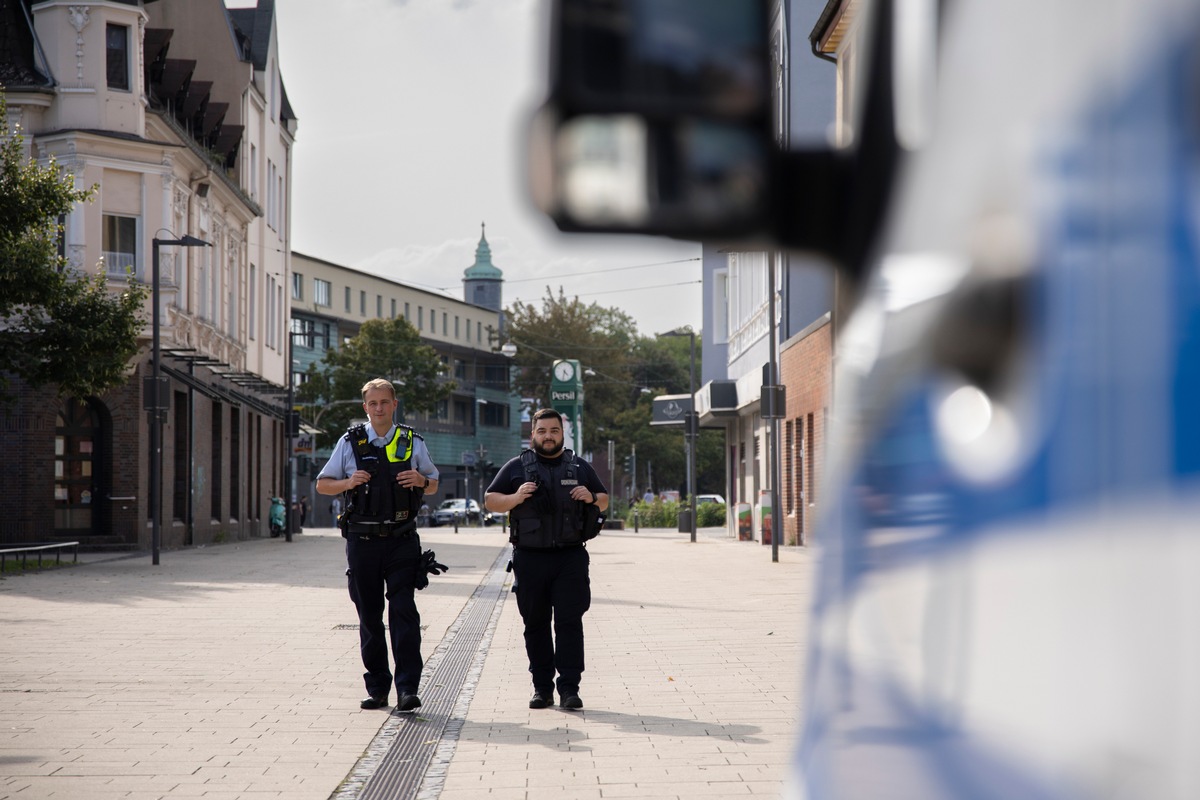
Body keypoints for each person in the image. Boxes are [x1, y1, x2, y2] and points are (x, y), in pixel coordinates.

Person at [316, 378, 439, 712]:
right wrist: (347, 481)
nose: (379, 409)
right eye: (373, 404)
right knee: (370, 616)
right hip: (362, 541)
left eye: (385, 402)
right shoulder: (350, 442)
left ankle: (408, 688)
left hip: (402, 539)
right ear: (365, 408)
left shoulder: (411, 441)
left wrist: (422, 480)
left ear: (394, 404)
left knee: (404, 613)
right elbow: (323, 485)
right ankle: (378, 688)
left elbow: (433, 482)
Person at [484, 408, 609, 711]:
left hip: (570, 557)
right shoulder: (516, 467)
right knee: (535, 624)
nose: (548, 436)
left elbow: (604, 499)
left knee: (569, 623)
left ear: (562, 433)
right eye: (542, 431)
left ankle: (569, 689)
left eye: (553, 431)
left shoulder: (578, 466)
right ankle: (542, 688)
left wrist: (590, 497)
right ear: (533, 435)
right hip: (529, 558)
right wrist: (515, 498)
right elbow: (490, 500)